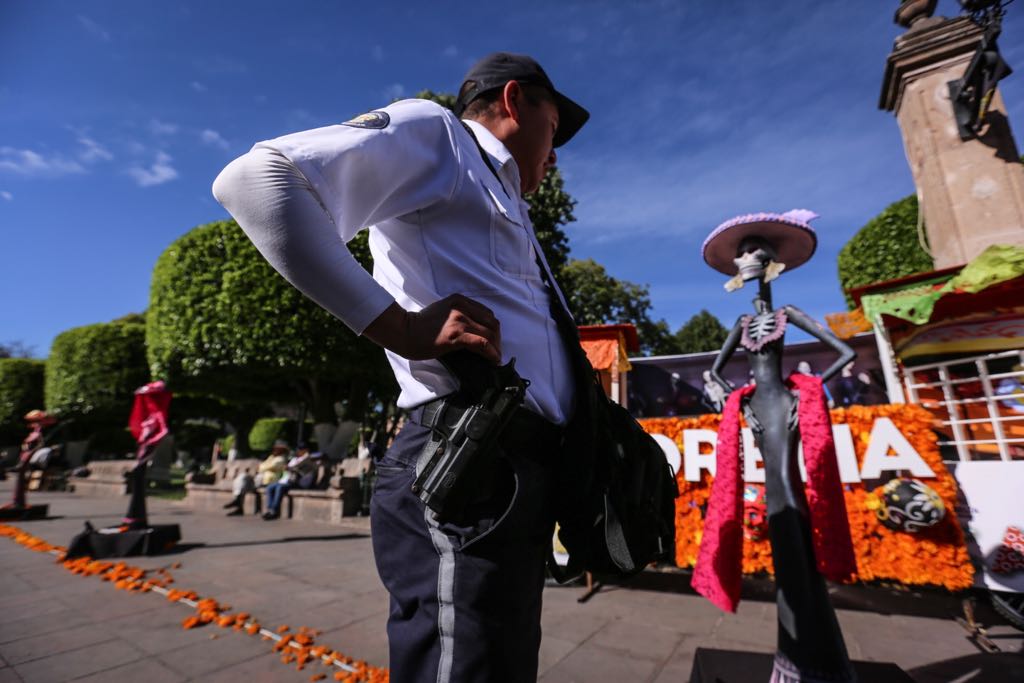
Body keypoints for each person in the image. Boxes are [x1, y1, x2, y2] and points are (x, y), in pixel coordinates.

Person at [213, 52, 588, 682]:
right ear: (515, 100)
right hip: (468, 457)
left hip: (515, 468)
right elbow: (257, 179)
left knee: (500, 661)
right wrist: (397, 326)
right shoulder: (441, 134)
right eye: (555, 129)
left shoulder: (508, 200)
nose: (555, 155)